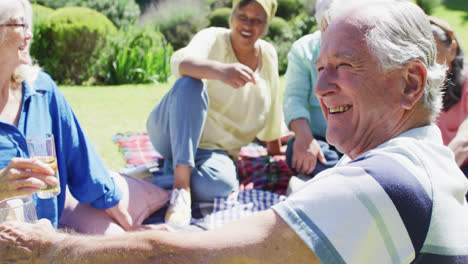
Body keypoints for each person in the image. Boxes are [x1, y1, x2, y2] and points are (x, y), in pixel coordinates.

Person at [2, 1, 468, 263]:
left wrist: (54, 248)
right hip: (180, 136)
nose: (322, 88)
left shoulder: (383, 184)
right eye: (321, 66)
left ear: (410, 83)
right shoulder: (424, 159)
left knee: (221, 184)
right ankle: (173, 184)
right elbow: (180, 66)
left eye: (345, 66)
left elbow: (196, 255)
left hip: (215, 161)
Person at [146, 0, 283, 226]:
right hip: (172, 130)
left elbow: (273, 102)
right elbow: (180, 62)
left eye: (257, 19)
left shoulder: (268, 55)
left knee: (219, 185)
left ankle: (163, 174)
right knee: (190, 83)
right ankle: (181, 188)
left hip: (214, 151)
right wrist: (220, 71)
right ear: (232, 17)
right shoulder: (212, 38)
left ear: (266, 25)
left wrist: (275, 147)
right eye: (242, 15)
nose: (248, 24)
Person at [0, 0, 134, 231]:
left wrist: (131, 229)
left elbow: (82, 161)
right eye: (19, 25)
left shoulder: (41, 89)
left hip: (44, 242)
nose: (29, 34)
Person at [282, 0, 341, 177]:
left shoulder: (362, 48)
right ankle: (348, 173)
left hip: (357, 136)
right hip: (317, 137)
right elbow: (294, 98)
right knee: (301, 155)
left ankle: (345, 171)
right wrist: (304, 139)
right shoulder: (303, 49)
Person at [429, 16, 468, 183]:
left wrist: (435, 175)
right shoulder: (415, 85)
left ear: (452, 50)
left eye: (434, 51)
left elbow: (464, 142)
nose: (426, 59)